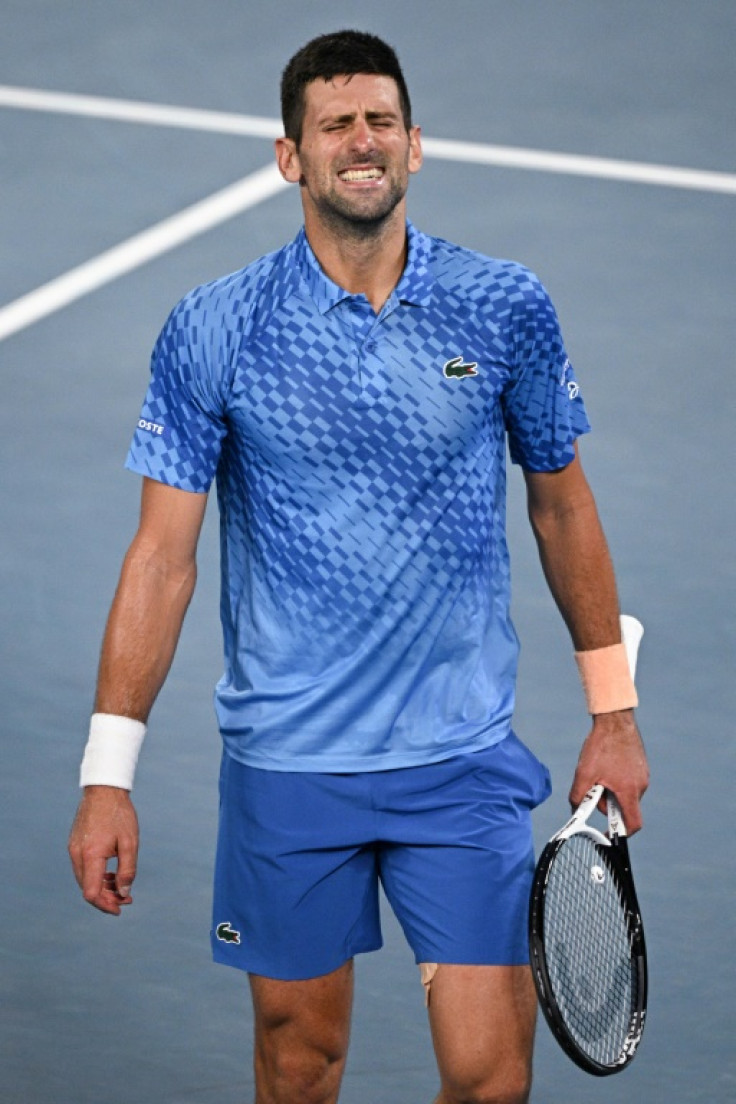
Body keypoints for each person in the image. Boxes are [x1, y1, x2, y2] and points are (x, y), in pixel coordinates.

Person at [69, 29, 649, 1104]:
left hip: (459, 758)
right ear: (291, 157)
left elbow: (561, 504)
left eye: (381, 119)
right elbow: (161, 560)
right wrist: (108, 777)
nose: (362, 140)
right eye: (335, 124)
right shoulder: (217, 327)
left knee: (492, 1083)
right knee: (301, 1068)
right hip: (291, 765)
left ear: (415, 145)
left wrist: (611, 715)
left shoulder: (503, 304)